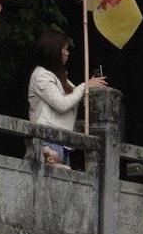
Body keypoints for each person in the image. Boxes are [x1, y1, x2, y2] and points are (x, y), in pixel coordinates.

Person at [27, 30, 106, 167]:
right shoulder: (41, 75)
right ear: (55, 51)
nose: (68, 53)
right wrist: (85, 86)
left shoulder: (61, 77)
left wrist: (91, 89)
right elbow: (62, 105)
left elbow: (76, 96)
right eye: (65, 49)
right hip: (48, 142)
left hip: (63, 143)